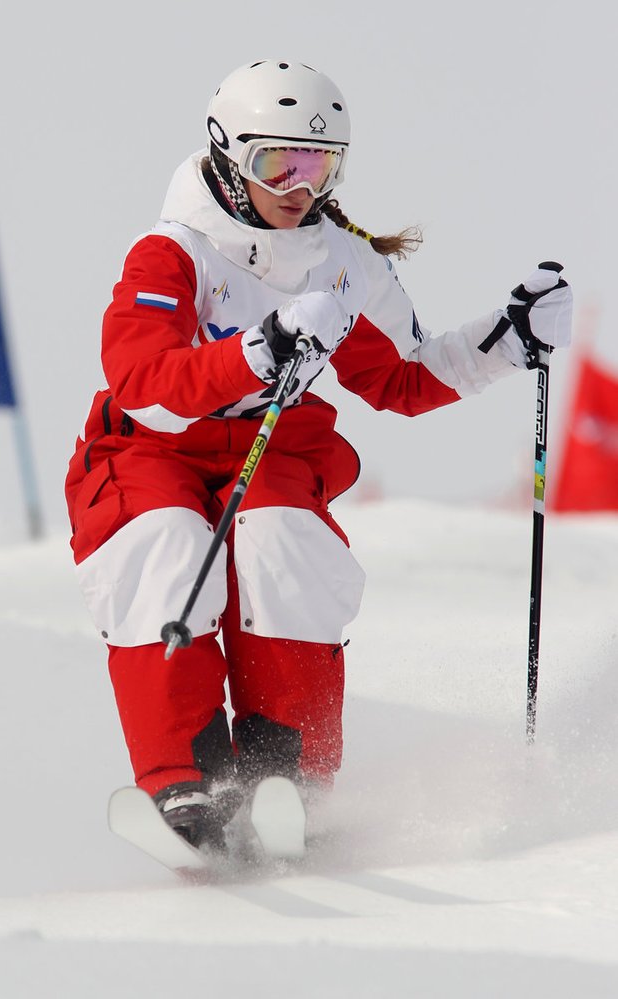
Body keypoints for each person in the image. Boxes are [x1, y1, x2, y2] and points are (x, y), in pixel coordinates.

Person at [65, 59, 573, 851]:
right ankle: (182, 781)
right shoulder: (174, 252)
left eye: (319, 165)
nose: (299, 186)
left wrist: (507, 340)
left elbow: (401, 376)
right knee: (163, 545)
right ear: (229, 156)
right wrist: (254, 353)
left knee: (279, 542)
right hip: (152, 449)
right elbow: (140, 381)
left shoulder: (340, 262)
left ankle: (283, 775)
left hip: (268, 448)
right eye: (279, 163)